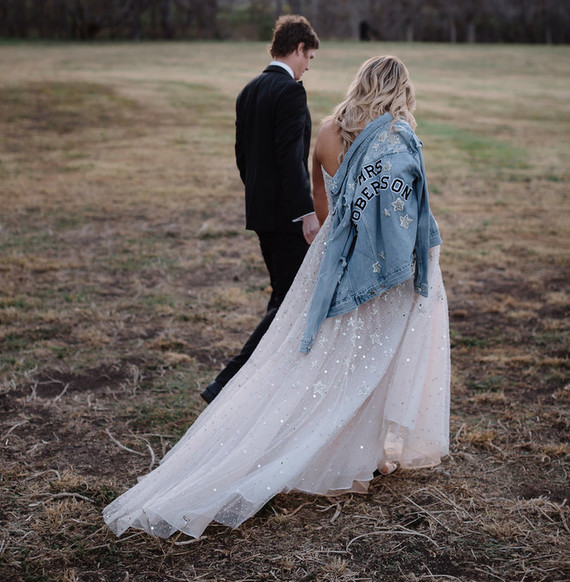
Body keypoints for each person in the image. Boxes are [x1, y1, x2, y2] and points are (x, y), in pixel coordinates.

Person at [103, 56, 450, 540]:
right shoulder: (397, 139)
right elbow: (404, 212)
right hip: (375, 262)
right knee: (371, 357)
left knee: (320, 357)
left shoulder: (330, 131)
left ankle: (347, 449)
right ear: (400, 90)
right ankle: (354, 454)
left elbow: (320, 198)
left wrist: (338, 244)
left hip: (330, 260)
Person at [200, 15, 320, 404]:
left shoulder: (248, 91)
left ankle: (267, 383)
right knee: (291, 299)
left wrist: (259, 196)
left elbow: (242, 157)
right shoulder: (290, 91)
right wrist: (306, 212)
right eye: (309, 57)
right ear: (298, 48)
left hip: (261, 213)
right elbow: (290, 159)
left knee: (282, 296)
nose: (307, 67)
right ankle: (228, 382)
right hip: (287, 216)